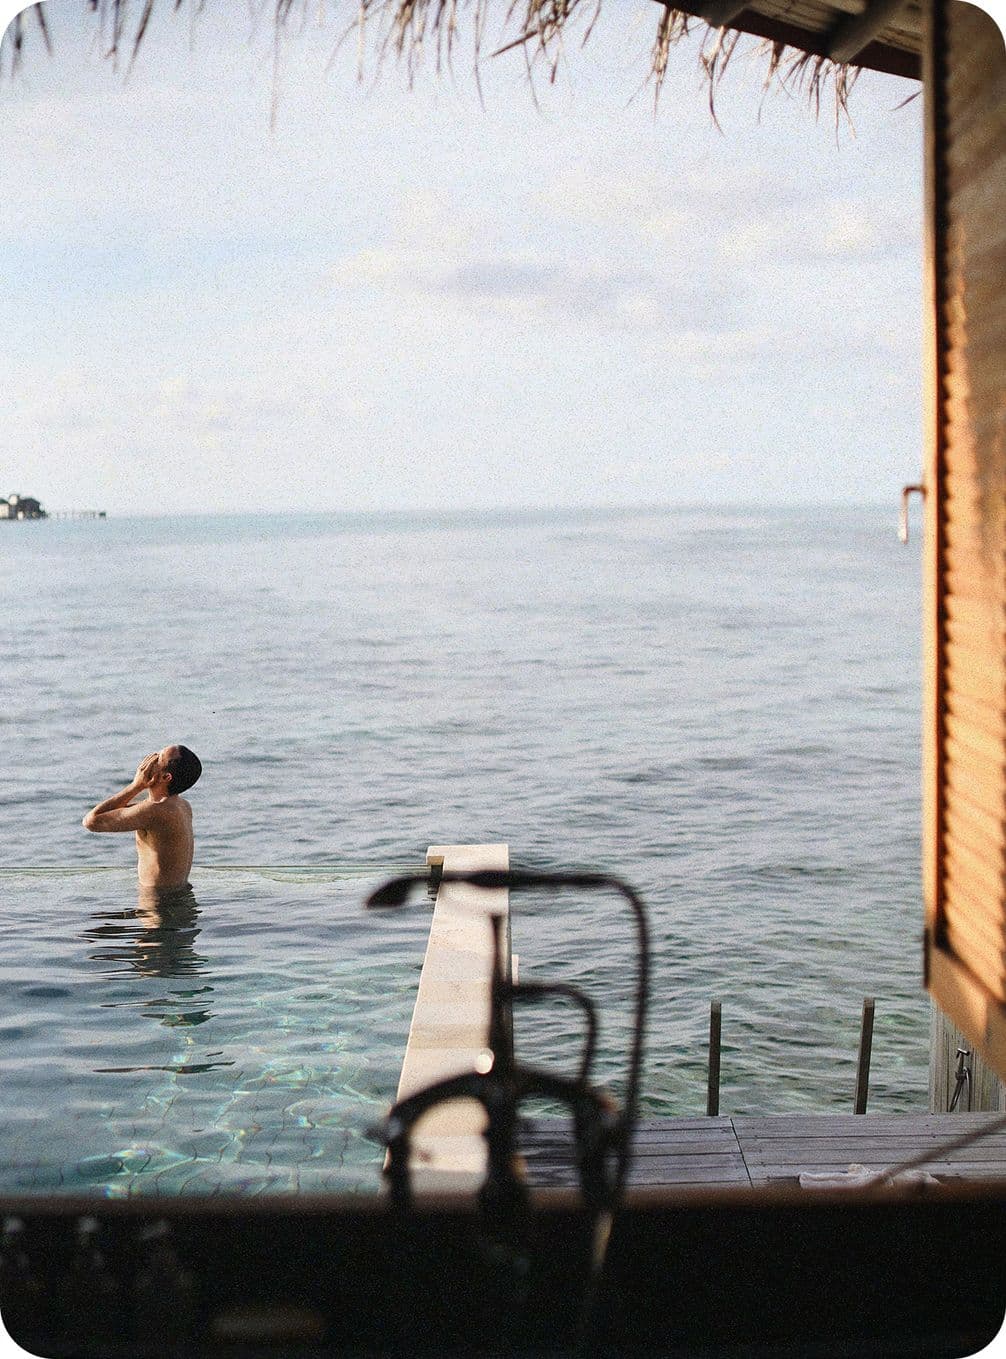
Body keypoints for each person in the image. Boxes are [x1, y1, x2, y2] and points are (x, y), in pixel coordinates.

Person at [82, 745, 202, 889]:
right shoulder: (181, 805)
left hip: (159, 903)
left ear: (166, 777)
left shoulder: (154, 811)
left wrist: (136, 786)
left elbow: (91, 822)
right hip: (179, 892)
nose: (150, 759)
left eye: (158, 758)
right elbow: (118, 811)